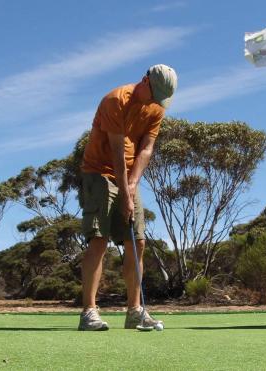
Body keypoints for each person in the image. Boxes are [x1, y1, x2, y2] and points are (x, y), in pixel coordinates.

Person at [77, 64, 177, 331]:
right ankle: (89, 312)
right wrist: (125, 193)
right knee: (99, 239)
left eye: (161, 99)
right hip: (99, 171)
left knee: (138, 242)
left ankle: (135, 311)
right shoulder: (116, 100)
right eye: (154, 94)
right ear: (144, 81)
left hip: (128, 177)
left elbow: (146, 148)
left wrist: (132, 185)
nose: (156, 102)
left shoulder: (156, 107)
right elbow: (117, 153)